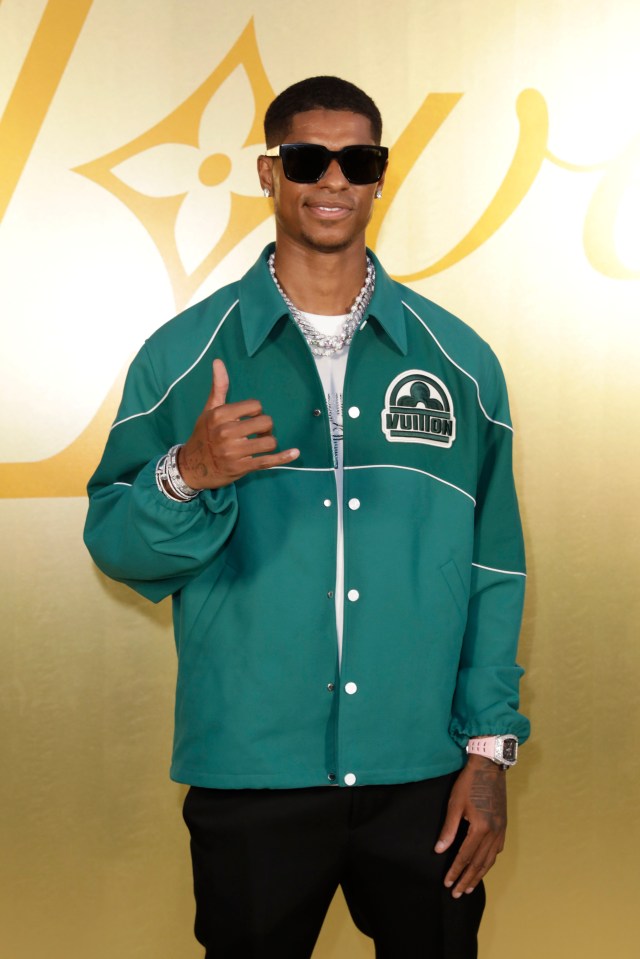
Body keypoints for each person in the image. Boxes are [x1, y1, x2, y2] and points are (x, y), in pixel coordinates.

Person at [84, 75, 529, 959]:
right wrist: (187, 473)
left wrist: (488, 753)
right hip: (252, 775)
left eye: (356, 160)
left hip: (425, 776)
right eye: (306, 157)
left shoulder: (463, 364)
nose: (331, 178)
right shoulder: (181, 358)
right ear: (267, 171)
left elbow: (494, 568)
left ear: (378, 177)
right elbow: (117, 544)